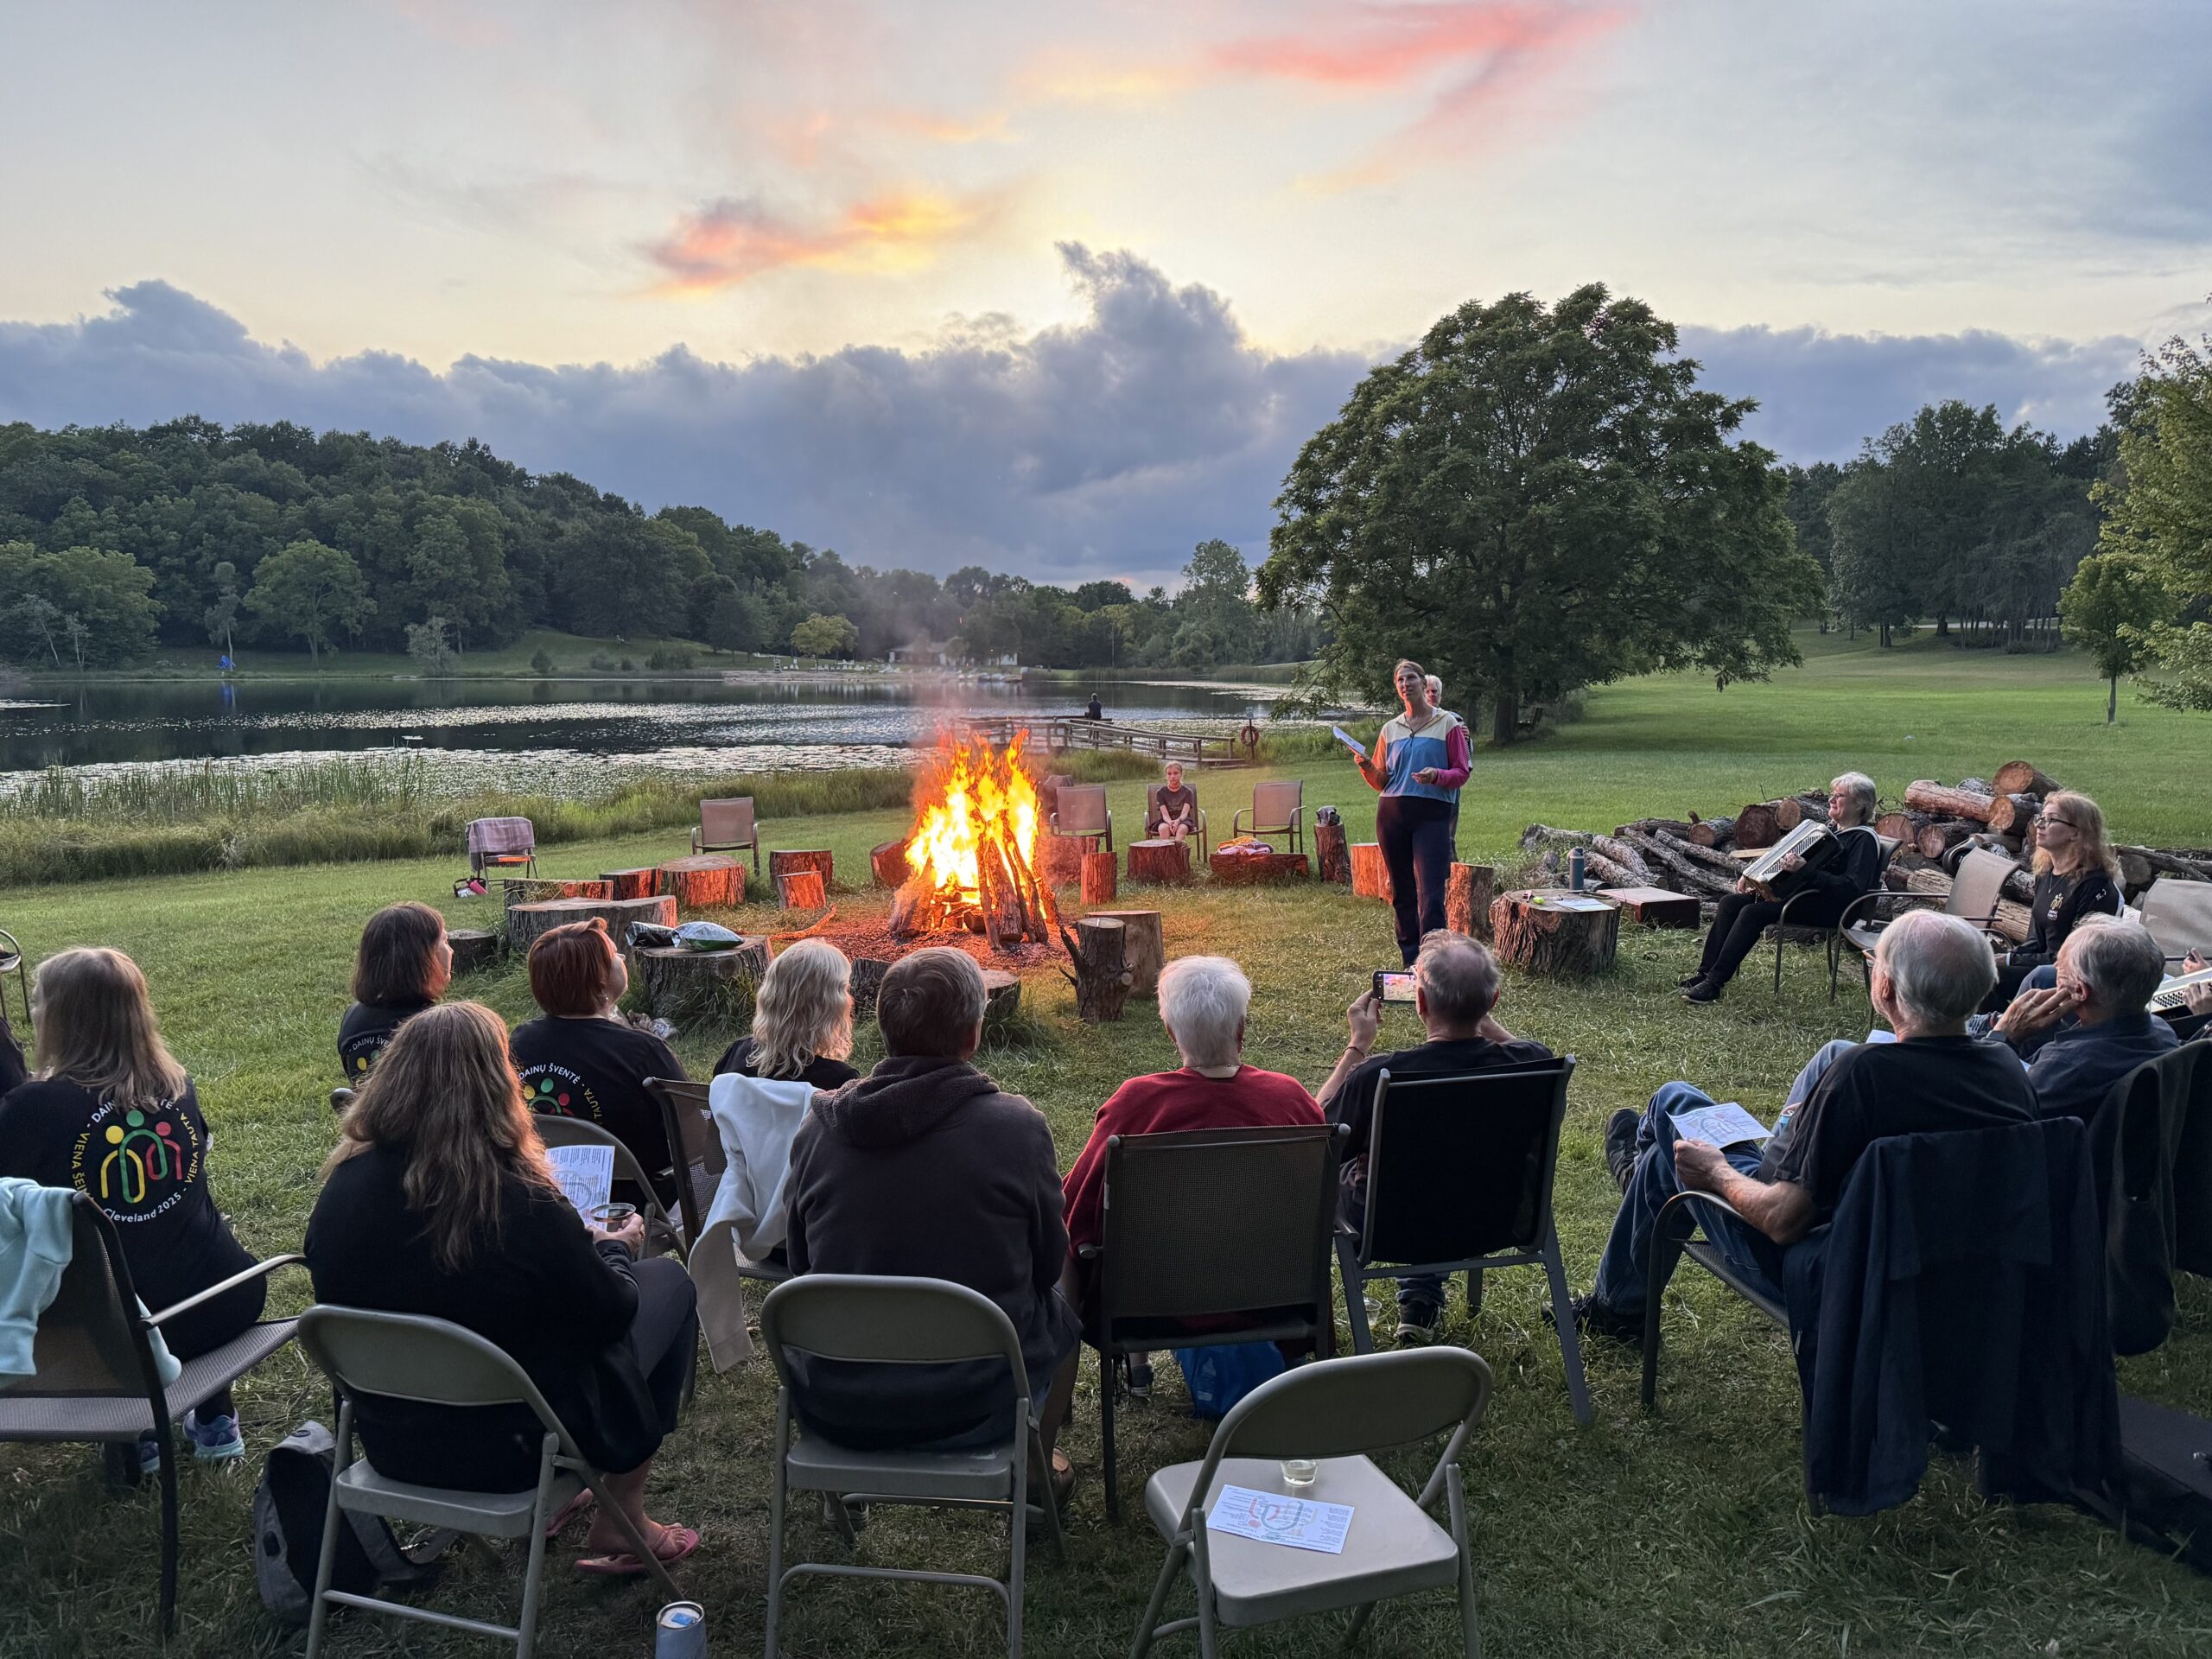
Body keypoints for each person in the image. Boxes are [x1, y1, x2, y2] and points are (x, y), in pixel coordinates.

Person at [306, 1001, 700, 1576]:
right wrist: (614, 1247)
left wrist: (571, 1242)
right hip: (518, 1449)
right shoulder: (515, 1198)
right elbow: (610, 1312)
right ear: (498, 1087)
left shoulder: (342, 1190)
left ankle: (595, 1503)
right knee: (667, 1283)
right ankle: (624, 1512)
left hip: (395, 1442)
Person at [1567, 910, 2036, 1340]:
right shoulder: (2006, 1069)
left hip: (1831, 1272)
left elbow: (1781, 1221)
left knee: (1674, 1107)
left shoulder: (1862, 1076)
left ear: (1886, 988)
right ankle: (1630, 1253)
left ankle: (1634, 1222)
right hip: (1951, 1278)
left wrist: (1714, 1173)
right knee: (1674, 1136)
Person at [783, 948, 1082, 1497]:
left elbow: (801, 1269)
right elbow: (1045, 1263)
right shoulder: (1016, 1130)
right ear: (972, 1036)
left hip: (839, 1402)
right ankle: (1036, 1470)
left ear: (885, 1031)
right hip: (980, 1404)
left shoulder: (817, 1131)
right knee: (1068, 1289)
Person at [0, 948, 265, 1470]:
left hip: (124, 1339)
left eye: (37, 1001)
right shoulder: (177, 1084)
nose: (32, 1011)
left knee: (104, 1267)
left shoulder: (33, 1109)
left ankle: (137, 1440)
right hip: (228, 1298)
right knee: (166, 1239)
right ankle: (215, 1421)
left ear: (63, 1017)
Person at [1061, 956, 1323, 1391]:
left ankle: (1106, 1383)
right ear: (1241, 1029)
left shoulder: (1137, 1103)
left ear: (1170, 1032)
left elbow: (1078, 1213)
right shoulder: (1288, 1099)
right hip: (1274, 1299)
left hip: (1154, 1305)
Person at [1313, 931, 1553, 1343]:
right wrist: (1480, 1016)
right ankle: (1421, 1298)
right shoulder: (1533, 1066)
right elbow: (1532, 1053)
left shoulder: (1378, 1077)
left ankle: (1418, 1296)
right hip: (1498, 1220)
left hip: (1389, 1230)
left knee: (1379, 1166)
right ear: (1493, 1002)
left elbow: (1317, 1134)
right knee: (1450, 1165)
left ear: (1420, 1003)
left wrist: (1357, 1046)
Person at [509, 919, 685, 1205]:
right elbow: (694, 1130)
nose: (623, 958)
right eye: (614, 953)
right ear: (599, 978)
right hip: (637, 1206)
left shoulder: (517, 1044)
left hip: (543, 1195)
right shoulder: (643, 1053)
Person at [1683, 772, 1884, 1003]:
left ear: (1860, 805)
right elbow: (1782, 857)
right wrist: (1752, 877)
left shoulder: (1863, 840)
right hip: (1804, 898)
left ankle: (1714, 983)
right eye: (1832, 794)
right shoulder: (1828, 831)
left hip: (1834, 909)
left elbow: (1852, 888)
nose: (1831, 800)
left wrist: (1806, 870)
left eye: (1839, 796)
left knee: (1752, 913)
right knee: (1730, 903)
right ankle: (1705, 973)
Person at [1983, 918, 2177, 1118]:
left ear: (2079, 991)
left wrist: (2003, 1037)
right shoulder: (2163, 1032)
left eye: (2062, 963)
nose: (2056, 965)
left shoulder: (2067, 1067)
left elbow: (1985, 1107)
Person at [1352, 659, 1471, 965]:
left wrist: (1437, 776)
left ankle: (1433, 963)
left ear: (1423, 683)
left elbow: (1462, 772)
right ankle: (1410, 961)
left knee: (1431, 894)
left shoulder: (1448, 724)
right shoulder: (1390, 729)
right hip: (1392, 815)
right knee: (1402, 893)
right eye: (1400, 680)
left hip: (1432, 814)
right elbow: (1382, 782)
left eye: (1411, 678)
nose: (1406, 684)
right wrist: (1366, 765)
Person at [1984, 791, 2123, 1011]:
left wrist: (2009, 962)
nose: (2039, 825)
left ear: (2077, 833)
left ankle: (1999, 1031)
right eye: (2041, 818)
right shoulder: (2046, 875)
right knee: (1976, 971)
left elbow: (2078, 957)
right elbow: (2036, 940)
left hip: (2075, 976)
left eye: (2051, 820)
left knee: (1985, 978)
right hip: (2043, 966)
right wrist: (2007, 957)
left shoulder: (2094, 886)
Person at [714, 937, 860, 1093]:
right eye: (844, 990)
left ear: (770, 996)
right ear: (830, 1006)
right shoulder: (840, 1081)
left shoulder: (736, 1054)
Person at [339, 901, 450, 1080]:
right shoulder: (439, 1026)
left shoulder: (353, 1017)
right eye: (445, 941)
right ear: (424, 958)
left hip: (366, 1108)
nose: (451, 950)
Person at [1147, 760, 1199, 842]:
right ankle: (1166, 853)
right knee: (1163, 828)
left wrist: (1178, 821)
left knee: (1181, 829)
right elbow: (1165, 814)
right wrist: (1170, 822)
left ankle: (1177, 852)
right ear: (1166, 775)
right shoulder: (1161, 792)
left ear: (1181, 774)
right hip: (1166, 820)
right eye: (1169, 774)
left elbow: (1184, 814)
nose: (1172, 776)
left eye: (1176, 773)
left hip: (1183, 821)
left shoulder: (1188, 792)